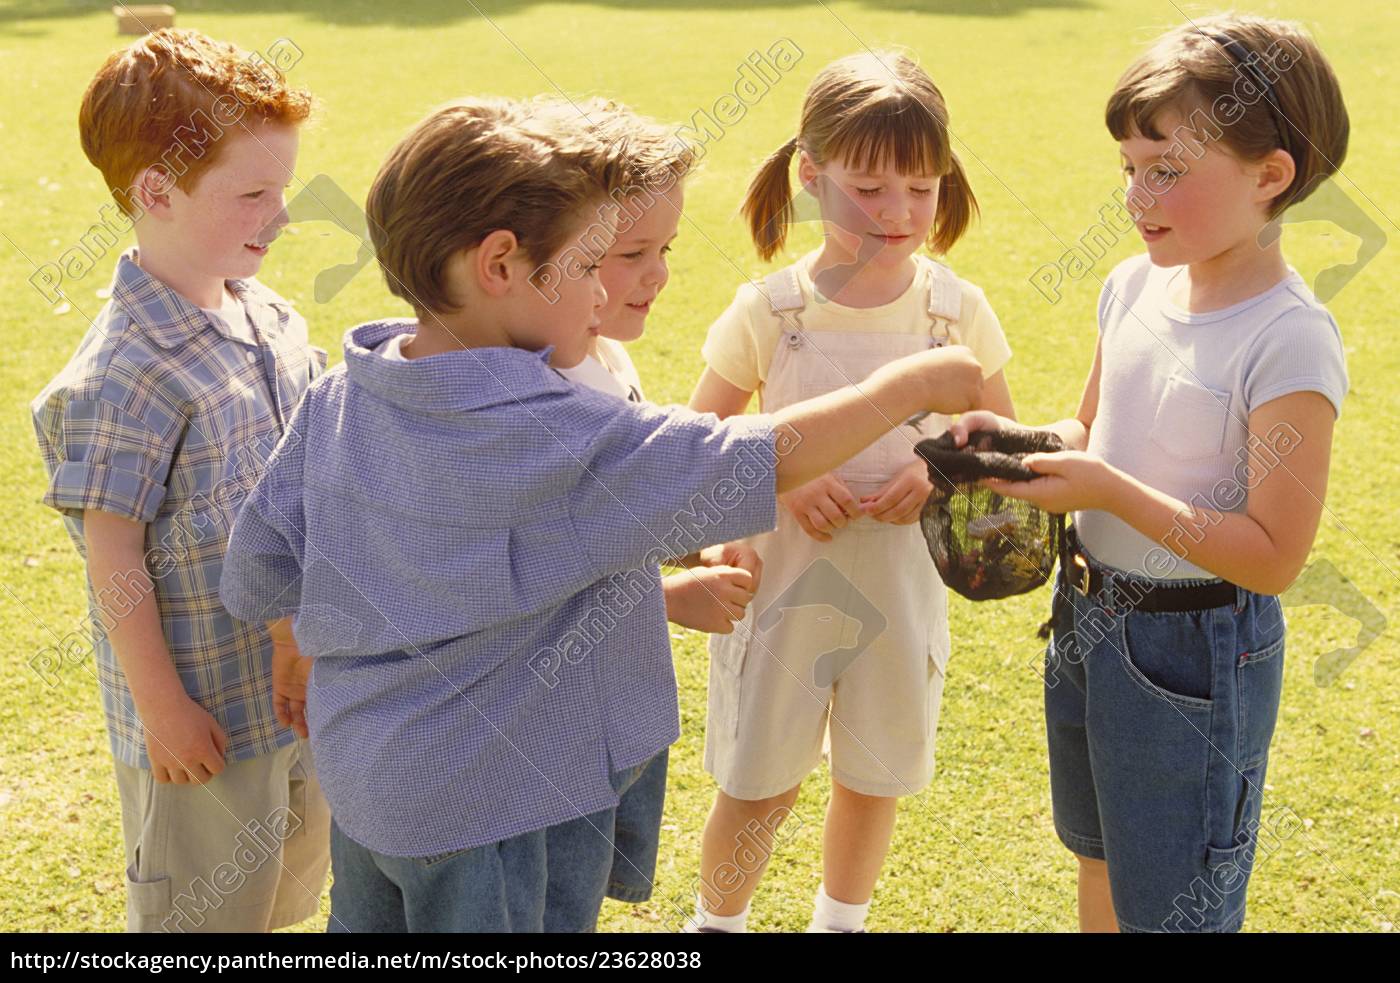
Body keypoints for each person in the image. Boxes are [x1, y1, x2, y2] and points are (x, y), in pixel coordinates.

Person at [217, 96, 987, 932]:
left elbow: (261, 561)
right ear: (501, 264)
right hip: (495, 812)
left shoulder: (345, 391)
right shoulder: (548, 427)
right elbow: (739, 462)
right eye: (592, 266)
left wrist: (294, 640)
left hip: (369, 785)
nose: (607, 290)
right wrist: (902, 389)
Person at [955, 13, 1350, 932]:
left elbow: (1271, 556)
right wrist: (1020, 440)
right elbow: (1088, 428)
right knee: (1100, 858)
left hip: (1195, 652)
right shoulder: (1132, 284)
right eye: (1129, 170)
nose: (1137, 196)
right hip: (1090, 617)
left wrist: (1105, 488)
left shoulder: (1287, 340)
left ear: (1271, 175)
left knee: (1171, 904)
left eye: (1166, 170)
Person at [687, 50, 1016, 933]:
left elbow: (1002, 447)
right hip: (785, 585)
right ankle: (714, 926)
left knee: (873, 779)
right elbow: (697, 446)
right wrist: (785, 483)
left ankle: (842, 921)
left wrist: (940, 468)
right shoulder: (769, 312)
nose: (899, 213)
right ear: (811, 174)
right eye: (870, 188)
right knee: (760, 783)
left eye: (921, 187)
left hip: (902, 588)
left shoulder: (957, 311)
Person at [30, 28, 330, 932]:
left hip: (297, 688)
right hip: (203, 716)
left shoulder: (268, 315)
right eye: (252, 194)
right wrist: (163, 709)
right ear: (155, 192)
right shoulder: (122, 372)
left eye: (281, 188)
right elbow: (111, 557)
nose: (280, 216)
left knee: (287, 891)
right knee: (203, 918)